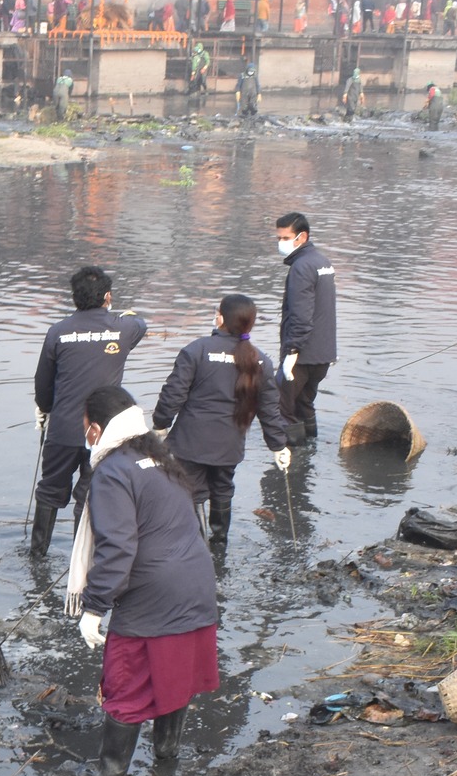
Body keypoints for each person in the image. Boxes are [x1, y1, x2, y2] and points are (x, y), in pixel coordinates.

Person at [66, 386, 220, 776]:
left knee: (125, 681)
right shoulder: (162, 457)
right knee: (176, 676)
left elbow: (118, 549)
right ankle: (166, 759)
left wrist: (94, 607)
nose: (85, 434)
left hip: (154, 595)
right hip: (197, 584)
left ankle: (110, 773)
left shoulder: (112, 472)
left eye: (85, 426)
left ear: (97, 429)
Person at [151, 294, 292, 548]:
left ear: (221, 319)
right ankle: (219, 546)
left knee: (189, 490)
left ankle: (196, 547)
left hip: (190, 442)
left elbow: (173, 393)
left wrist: (161, 423)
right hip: (230, 445)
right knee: (223, 488)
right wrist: (278, 446)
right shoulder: (260, 360)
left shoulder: (197, 350)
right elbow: (269, 409)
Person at [29, 266, 148, 555]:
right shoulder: (123, 328)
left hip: (63, 428)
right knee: (89, 496)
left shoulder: (58, 332)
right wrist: (120, 314)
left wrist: (45, 409)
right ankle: (80, 559)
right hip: (102, 432)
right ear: (108, 296)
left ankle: (37, 553)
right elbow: (140, 323)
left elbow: (43, 381)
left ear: (74, 297)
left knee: (50, 489)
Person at [274, 212, 338, 443]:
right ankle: (310, 448)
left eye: (285, 238)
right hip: (323, 354)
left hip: (302, 355)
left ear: (302, 237)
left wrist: (292, 351)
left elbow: (301, 315)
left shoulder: (301, 267)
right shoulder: (323, 262)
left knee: (281, 407)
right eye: (279, 238)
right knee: (305, 404)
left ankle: (291, 456)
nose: (281, 243)